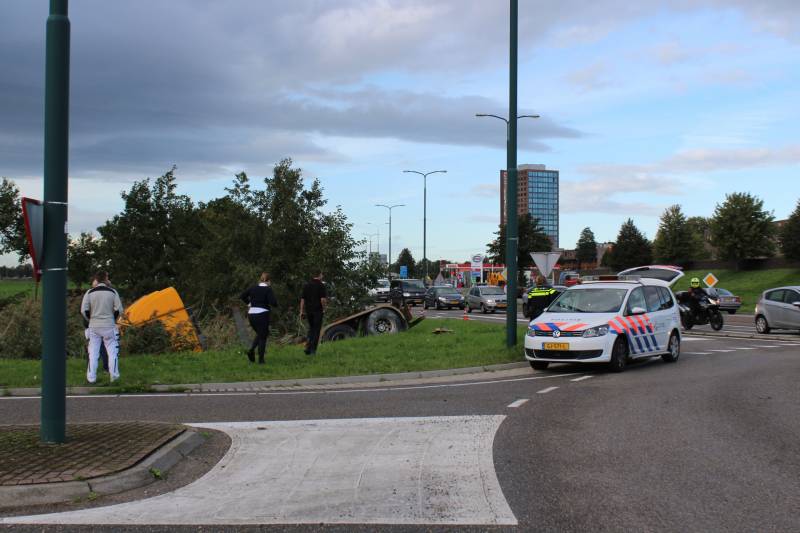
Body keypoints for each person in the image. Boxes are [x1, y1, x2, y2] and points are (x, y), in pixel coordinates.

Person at [81, 271, 123, 383]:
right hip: (109, 325)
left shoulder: (89, 293)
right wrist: (113, 319)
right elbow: (119, 310)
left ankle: (91, 378)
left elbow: (84, 311)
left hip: (94, 326)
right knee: (112, 351)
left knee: (93, 353)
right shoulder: (113, 292)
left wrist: (91, 319)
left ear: (97, 279)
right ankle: (114, 376)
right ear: (106, 279)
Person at [240, 272, 278, 364]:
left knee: (261, 334)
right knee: (263, 337)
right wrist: (272, 304)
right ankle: (261, 360)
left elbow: (242, 296)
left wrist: (249, 303)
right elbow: (273, 302)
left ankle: (251, 351)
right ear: (268, 281)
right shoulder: (268, 289)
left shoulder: (253, 287)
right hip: (262, 314)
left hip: (251, 314)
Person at [300, 271, 327, 356]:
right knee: (316, 330)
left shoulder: (306, 285)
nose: (322, 276)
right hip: (318, 310)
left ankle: (308, 347)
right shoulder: (321, 285)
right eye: (322, 274)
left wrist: (301, 311)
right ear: (319, 275)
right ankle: (312, 350)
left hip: (309, 310)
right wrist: (324, 308)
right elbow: (322, 299)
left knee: (311, 329)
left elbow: (302, 299)